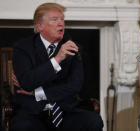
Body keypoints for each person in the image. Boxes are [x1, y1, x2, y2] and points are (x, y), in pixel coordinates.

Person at [11, 2, 103, 131]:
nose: (61, 23)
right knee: (23, 126)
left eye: (62, 19)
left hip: (65, 109)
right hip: (33, 112)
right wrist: (57, 59)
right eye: (54, 20)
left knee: (93, 121)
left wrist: (37, 92)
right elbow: (26, 82)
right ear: (40, 26)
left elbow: (75, 85)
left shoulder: (73, 48)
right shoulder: (23, 48)